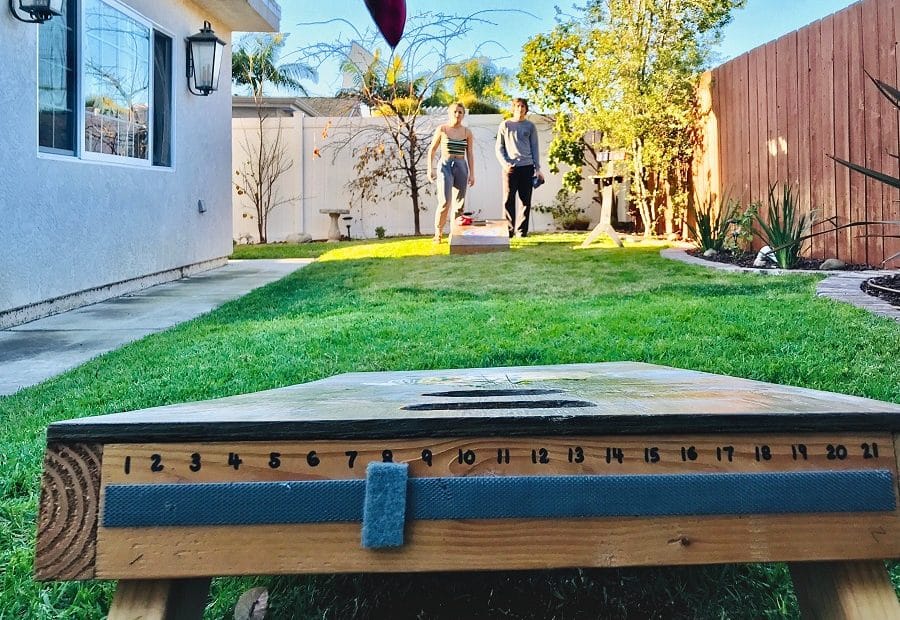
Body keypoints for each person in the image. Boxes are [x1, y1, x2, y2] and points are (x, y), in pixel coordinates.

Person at [495, 98, 544, 238]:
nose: (520, 109)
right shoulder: (505, 125)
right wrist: (505, 164)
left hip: (527, 167)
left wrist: (537, 168)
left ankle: (522, 232)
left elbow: (535, 147)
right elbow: (499, 148)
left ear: (526, 109)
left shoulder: (530, 126)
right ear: (513, 109)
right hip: (510, 168)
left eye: (522, 106)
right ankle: (508, 231)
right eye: (517, 106)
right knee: (508, 199)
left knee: (525, 200)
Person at [427, 102, 475, 243]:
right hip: (445, 165)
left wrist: (472, 173)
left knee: (459, 203)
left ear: (463, 115)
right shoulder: (442, 129)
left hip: (461, 165)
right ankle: (438, 233)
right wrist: (430, 169)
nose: (457, 114)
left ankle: (456, 233)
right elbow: (432, 150)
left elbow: (470, 153)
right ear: (450, 113)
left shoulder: (467, 132)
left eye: (460, 112)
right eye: (455, 111)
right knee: (445, 201)